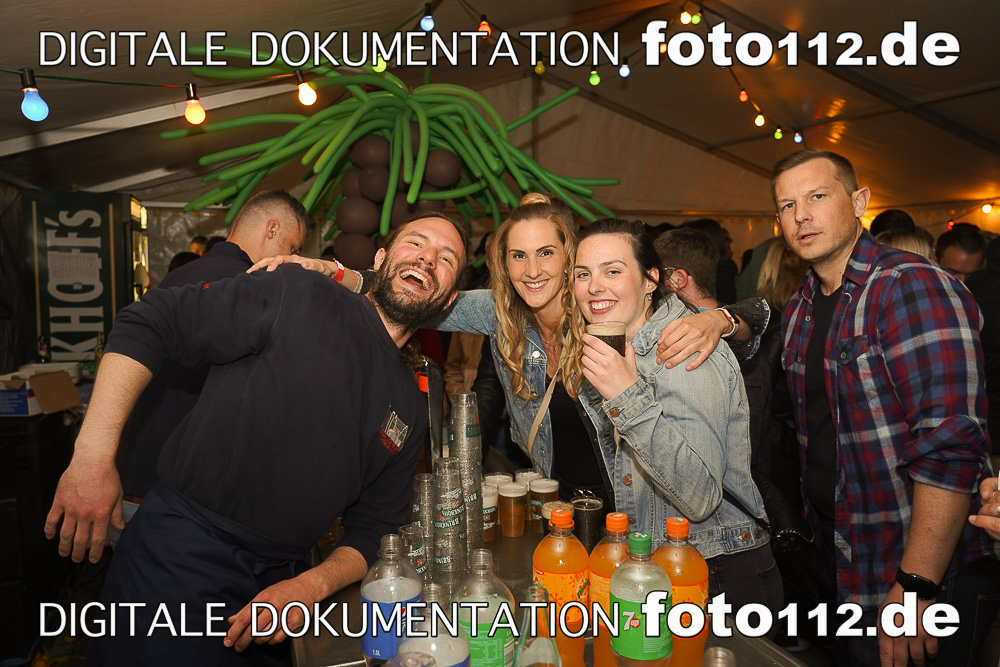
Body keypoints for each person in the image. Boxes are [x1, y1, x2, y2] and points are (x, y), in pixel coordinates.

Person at [44, 212, 469, 666]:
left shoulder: (410, 400)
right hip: (181, 558)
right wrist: (91, 457)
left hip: (279, 590)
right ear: (380, 260)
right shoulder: (300, 292)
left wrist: (312, 585)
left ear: (448, 299)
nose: (427, 259)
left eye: (446, 258)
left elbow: (375, 529)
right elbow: (151, 322)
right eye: (415, 243)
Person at [774, 148, 998, 666]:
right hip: (843, 560)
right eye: (787, 205)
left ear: (859, 202)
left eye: (817, 196)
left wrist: (917, 583)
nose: (801, 215)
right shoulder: (800, 307)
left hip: (919, 573)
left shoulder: (910, 285)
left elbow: (950, 444)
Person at [572, 218, 782, 618]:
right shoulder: (620, 347)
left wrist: (626, 397)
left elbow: (701, 499)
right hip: (659, 564)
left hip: (717, 576)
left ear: (651, 280)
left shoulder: (683, 349)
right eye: (583, 274)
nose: (594, 286)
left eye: (612, 271)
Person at [116, 189, 314, 514]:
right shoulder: (243, 284)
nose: (291, 259)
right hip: (169, 493)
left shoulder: (183, 274)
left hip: (135, 470)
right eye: (292, 248)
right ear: (272, 229)